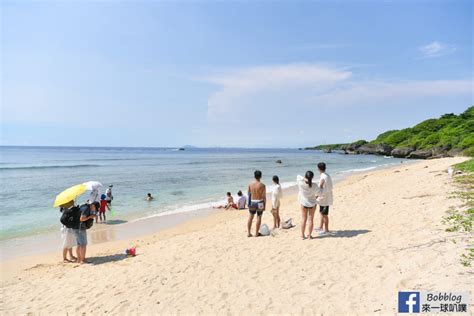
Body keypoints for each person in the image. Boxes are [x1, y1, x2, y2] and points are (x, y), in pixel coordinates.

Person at [297, 171, 318, 239]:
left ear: (305, 176)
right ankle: (309, 236)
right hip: (312, 204)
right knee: (311, 220)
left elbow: (298, 176)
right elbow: (319, 193)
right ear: (312, 177)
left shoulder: (301, 184)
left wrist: (304, 179)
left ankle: (302, 235)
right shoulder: (314, 185)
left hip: (304, 203)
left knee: (304, 219)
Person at [247, 170, 266, 237]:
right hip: (260, 202)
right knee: (259, 217)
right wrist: (264, 205)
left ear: (254, 176)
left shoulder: (250, 184)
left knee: (250, 217)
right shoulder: (262, 185)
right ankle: (256, 233)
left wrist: (248, 203)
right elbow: (264, 197)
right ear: (260, 176)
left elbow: (248, 194)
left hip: (252, 202)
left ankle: (249, 233)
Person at [316, 162, 333, 235]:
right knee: (321, 213)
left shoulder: (323, 177)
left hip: (324, 198)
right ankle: (320, 227)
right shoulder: (327, 175)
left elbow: (320, 187)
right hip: (326, 196)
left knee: (324, 214)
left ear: (318, 169)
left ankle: (326, 230)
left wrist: (316, 196)